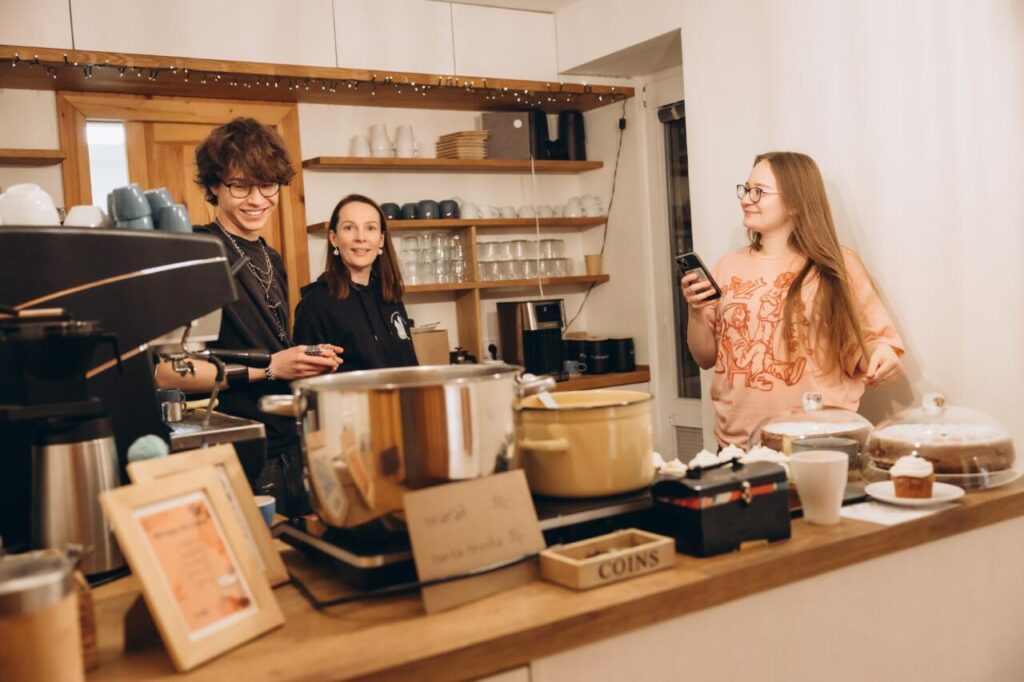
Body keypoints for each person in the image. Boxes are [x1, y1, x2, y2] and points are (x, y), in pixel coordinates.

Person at [155, 117, 341, 516]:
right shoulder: (198, 252)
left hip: (290, 442)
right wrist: (272, 368)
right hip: (237, 449)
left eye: (267, 185)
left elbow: (268, 346)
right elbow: (168, 372)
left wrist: (304, 358)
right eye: (240, 186)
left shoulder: (272, 258)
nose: (257, 199)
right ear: (214, 186)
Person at [682, 151, 904, 448]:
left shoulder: (836, 266)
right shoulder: (727, 266)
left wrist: (883, 355)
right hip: (737, 445)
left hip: (817, 440)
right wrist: (696, 311)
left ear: (795, 202)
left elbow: (869, 343)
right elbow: (705, 359)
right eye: (746, 189)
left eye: (759, 192)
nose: (746, 199)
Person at [293, 194, 418, 371]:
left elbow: (410, 367)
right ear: (334, 238)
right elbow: (306, 377)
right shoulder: (315, 303)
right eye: (349, 228)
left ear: (381, 239)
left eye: (370, 228)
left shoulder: (390, 296)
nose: (361, 237)